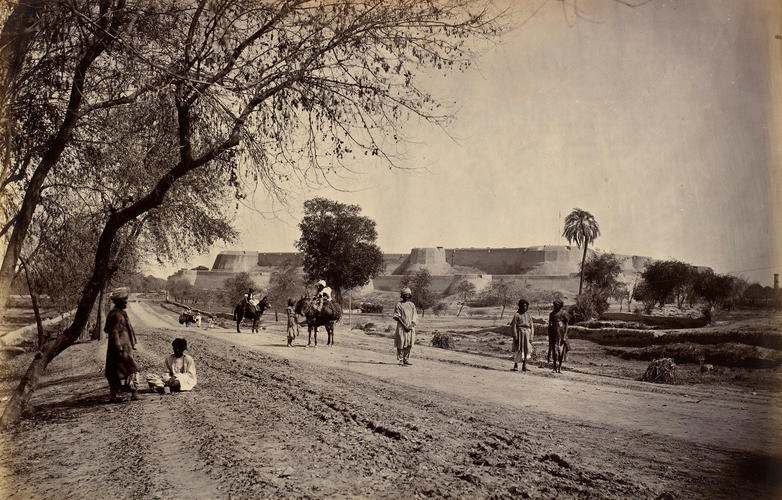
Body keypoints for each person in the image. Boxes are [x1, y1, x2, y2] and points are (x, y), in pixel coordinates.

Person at [104, 288, 140, 402]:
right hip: (120, 349)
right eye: (124, 300)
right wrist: (119, 348)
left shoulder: (119, 313)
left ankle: (116, 395)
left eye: (126, 299)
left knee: (119, 370)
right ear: (118, 301)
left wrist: (133, 343)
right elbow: (113, 332)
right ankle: (132, 394)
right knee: (131, 369)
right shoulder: (116, 315)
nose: (126, 302)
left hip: (124, 347)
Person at [393, 287, 418, 366]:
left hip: (410, 328)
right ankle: (400, 360)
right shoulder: (399, 304)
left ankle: (406, 359)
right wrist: (405, 326)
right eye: (404, 295)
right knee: (401, 343)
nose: (406, 296)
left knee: (409, 343)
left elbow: (415, 316)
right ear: (402, 295)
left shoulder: (412, 305)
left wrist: (411, 325)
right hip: (401, 327)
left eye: (408, 295)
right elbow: (397, 316)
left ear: (410, 295)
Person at [510, 299, 534, 372]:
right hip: (519, 333)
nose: (525, 307)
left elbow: (532, 326)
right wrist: (515, 335)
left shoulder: (529, 315)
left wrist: (531, 336)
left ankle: (524, 365)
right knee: (518, 349)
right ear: (520, 306)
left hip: (527, 333)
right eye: (523, 306)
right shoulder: (516, 315)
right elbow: (513, 325)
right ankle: (516, 365)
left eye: (526, 306)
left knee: (526, 349)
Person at [547, 299, 570, 364]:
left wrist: (565, 335)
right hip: (553, 334)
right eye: (554, 305)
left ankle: (560, 364)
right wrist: (549, 334)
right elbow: (550, 325)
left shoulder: (563, 313)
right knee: (553, 349)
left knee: (561, 350)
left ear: (560, 306)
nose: (554, 306)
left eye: (556, 305)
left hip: (561, 334)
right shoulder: (551, 314)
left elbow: (566, 325)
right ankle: (553, 363)